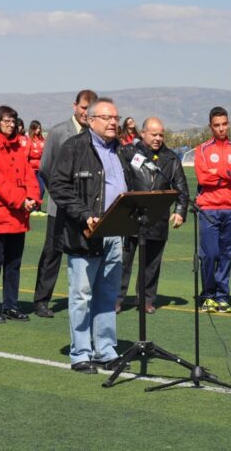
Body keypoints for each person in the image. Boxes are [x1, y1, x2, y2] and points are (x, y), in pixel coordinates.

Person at [50, 97, 127, 373]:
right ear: (90, 120)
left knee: (108, 293)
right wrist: (84, 214)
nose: (113, 123)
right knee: (82, 294)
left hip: (116, 231)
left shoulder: (121, 149)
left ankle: (105, 350)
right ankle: (80, 353)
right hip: (85, 232)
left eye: (115, 118)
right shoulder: (74, 147)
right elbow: (58, 186)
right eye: (107, 118)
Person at [31, 88, 97, 319]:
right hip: (59, 206)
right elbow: (46, 168)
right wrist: (62, 197)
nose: (86, 113)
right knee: (52, 253)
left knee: (86, 254)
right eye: (83, 107)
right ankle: (41, 300)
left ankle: (87, 300)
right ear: (75, 106)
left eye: (90, 109)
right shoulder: (59, 132)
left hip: (88, 210)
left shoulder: (96, 134)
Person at [0, 105, 41, 323]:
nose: (10, 125)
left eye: (13, 121)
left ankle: (11, 305)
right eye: (6, 121)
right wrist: (21, 200)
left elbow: (30, 174)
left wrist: (33, 197)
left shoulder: (17, 147)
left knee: (14, 263)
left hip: (18, 216)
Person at [117, 117, 189, 314]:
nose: (158, 138)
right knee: (123, 262)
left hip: (157, 219)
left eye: (161, 135)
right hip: (129, 216)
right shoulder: (128, 152)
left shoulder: (171, 158)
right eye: (154, 134)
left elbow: (181, 187)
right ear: (143, 133)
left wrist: (180, 211)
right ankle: (116, 298)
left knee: (152, 264)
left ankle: (146, 299)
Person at [194, 106, 231, 312]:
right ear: (210, 127)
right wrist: (229, 174)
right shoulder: (202, 150)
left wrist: (219, 172)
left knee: (226, 254)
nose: (221, 128)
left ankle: (222, 295)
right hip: (209, 208)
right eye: (217, 125)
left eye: (224, 124)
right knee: (209, 254)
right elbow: (203, 178)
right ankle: (208, 294)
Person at [27, 120, 46, 203]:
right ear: (33, 129)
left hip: (40, 168)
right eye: (37, 128)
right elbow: (26, 155)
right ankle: (34, 208)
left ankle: (38, 207)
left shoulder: (42, 140)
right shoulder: (30, 140)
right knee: (34, 189)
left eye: (39, 128)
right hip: (31, 169)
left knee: (42, 188)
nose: (38, 130)